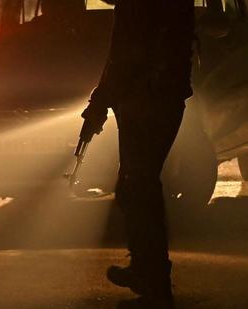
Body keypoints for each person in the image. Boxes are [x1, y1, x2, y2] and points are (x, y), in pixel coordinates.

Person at [81, 0, 195, 308]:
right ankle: (148, 273)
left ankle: (153, 282)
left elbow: (124, 55)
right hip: (160, 96)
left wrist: (99, 102)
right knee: (138, 187)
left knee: (138, 188)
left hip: (147, 99)